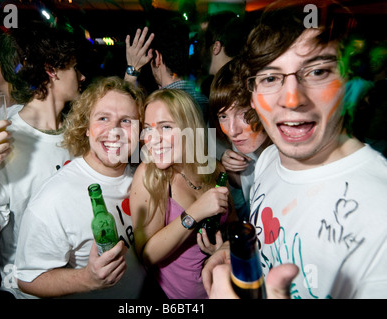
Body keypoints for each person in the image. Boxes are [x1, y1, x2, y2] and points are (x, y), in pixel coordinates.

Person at [203, 0, 387, 299]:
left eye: (317, 72)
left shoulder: (380, 216)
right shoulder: (268, 160)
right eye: (271, 77)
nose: (291, 99)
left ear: (348, 80)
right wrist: (237, 251)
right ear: (252, 95)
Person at [0, 22, 86, 298]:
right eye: (75, 68)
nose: (82, 77)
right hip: (28, 291)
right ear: (52, 71)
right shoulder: (3, 136)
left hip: (81, 285)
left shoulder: (76, 129)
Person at [15, 76, 146, 298]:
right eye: (103, 118)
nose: (114, 130)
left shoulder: (140, 172)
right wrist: (86, 279)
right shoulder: (54, 199)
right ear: (86, 128)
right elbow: (27, 279)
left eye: (126, 121)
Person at [130, 89, 237, 299]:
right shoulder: (151, 176)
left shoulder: (215, 170)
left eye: (166, 127)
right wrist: (194, 213)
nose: (152, 139)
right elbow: (147, 256)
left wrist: (223, 245)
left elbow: (233, 224)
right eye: (147, 130)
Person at [209, 57, 271, 219]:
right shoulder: (244, 144)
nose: (231, 130)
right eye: (223, 116)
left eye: (243, 114)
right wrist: (229, 170)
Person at [125, 17, 209, 122]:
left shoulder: (155, 107)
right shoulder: (204, 101)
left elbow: (124, 120)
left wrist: (132, 69)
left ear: (158, 58)